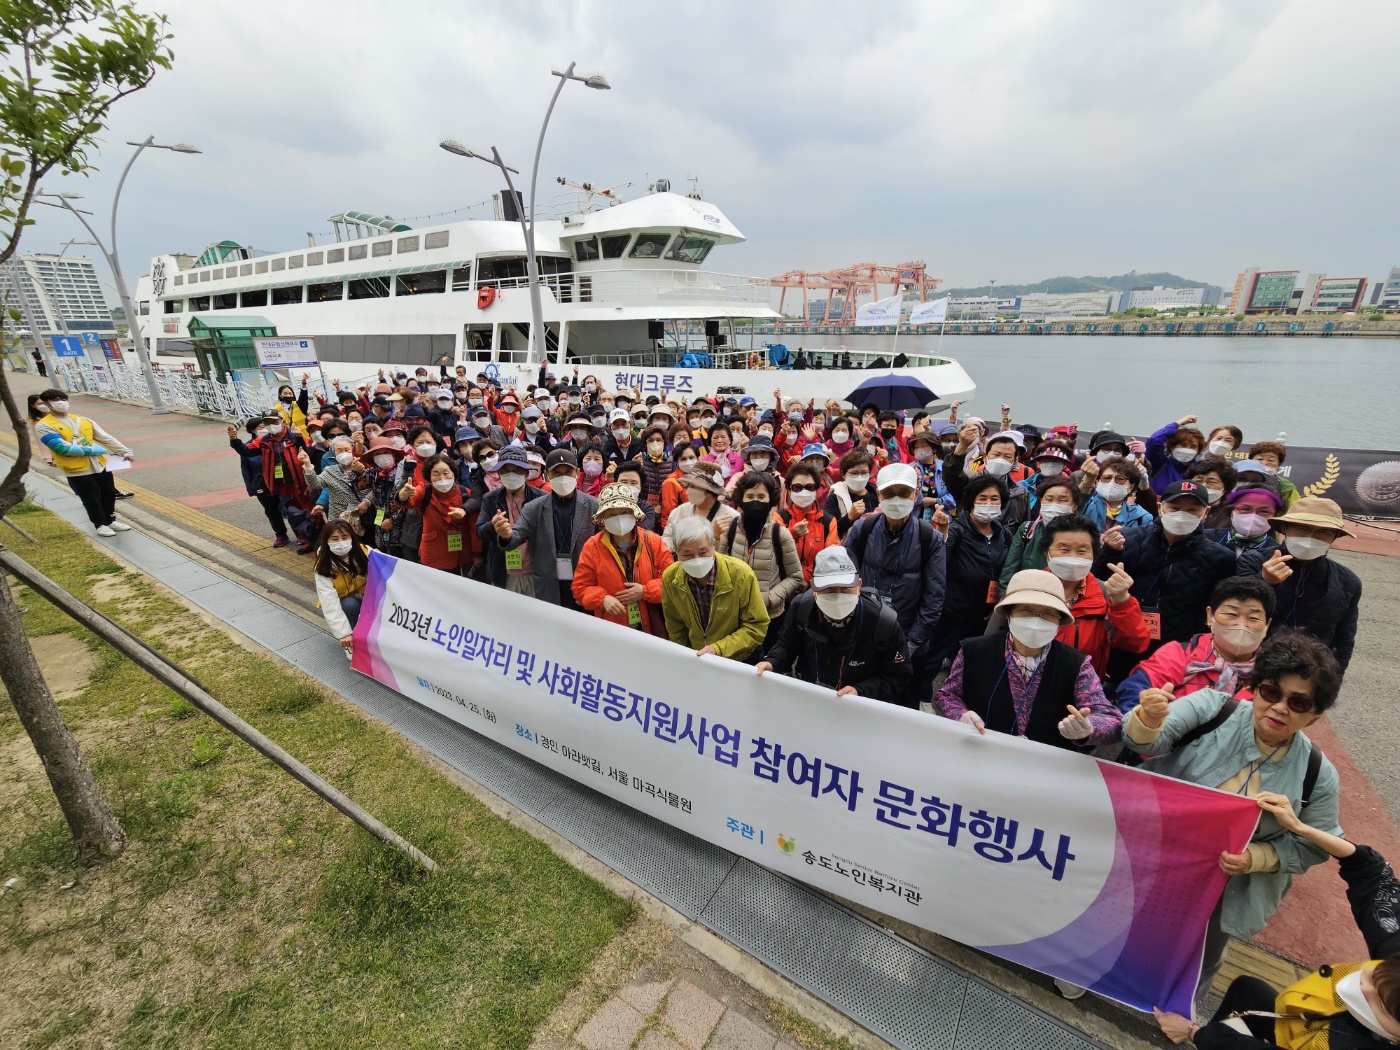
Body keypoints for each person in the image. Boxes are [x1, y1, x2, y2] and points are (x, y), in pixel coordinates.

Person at [1122, 630, 1342, 999]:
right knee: (1126, 917)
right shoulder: (1212, 707)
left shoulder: (1318, 773)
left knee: (1203, 951)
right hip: (1157, 850)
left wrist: (1257, 857)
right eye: (1271, 692)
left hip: (1228, 881)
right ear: (1255, 688)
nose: (1280, 708)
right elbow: (1144, 740)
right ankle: (1099, 975)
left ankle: (1179, 1005)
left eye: (1299, 703)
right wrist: (1147, 717)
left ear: (1315, 716)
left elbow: (1316, 844)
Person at [1153, 795, 1400, 1048]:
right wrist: (1299, 827)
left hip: (1314, 1040)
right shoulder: (1396, 962)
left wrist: (1194, 1031)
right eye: (1376, 972)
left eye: (1378, 1003)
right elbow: (1373, 873)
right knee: (1247, 991)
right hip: (1307, 1023)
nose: (1363, 982)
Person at [934, 569, 1122, 747]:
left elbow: (1111, 720)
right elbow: (948, 695)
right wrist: (961, 714)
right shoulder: (973, 650)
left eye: (1048, 613)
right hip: (980, 754)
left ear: (1059, 620)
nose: (1036, 620)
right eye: (1026, 611)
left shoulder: (1077, 665)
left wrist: (1088, 728)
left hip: (1045, 769)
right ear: (1009, 614)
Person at [986, 513, 1150, 680]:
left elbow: (1136, 644)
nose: (1073, 556)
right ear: (1046, 552)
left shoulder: (1105, 593)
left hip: (1084, 688)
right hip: (1023, 683)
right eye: (1064, 549)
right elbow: (992, 641)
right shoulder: (1024, 587)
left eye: (1082, 550)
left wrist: (1122, 602)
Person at [843, 463, 946, 706]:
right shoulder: (863, 528)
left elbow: (934, 598)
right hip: (865, 634)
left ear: (915, 494)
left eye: (903, 493)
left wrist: (909, 645)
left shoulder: (929, 538)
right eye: (889, 494)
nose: (896, 500)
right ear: (878, 495)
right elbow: (847, 577)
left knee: (902, 704)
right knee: (860, 699)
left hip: (909, 639)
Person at [756, 547, 913, 705]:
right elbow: (787, 644)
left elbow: (898, 676)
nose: (837, 596)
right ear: (814, 589)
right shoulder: (802, 608)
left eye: (845, 588)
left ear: (859, 586)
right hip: (811, 702)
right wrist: (772, 661)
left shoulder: (883, 623)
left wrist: (862, 691)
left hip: (858, 710)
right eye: (828, 589)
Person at [1095, 480, 1237, 653]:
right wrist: (1110, 552)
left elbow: (1219, 606)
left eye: (1192, 510)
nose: (1182, 515)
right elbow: (1098, 579)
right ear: (1160, 508)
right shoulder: (1129, 539)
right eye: (1175, 508)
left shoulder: (1220, 557)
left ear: (1205, 513)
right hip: (1127, 637)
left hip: (1180, 648)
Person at [1116, 575, 1275, 713]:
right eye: (1231, 614)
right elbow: (1132, 691)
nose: (1241, 625)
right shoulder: (1179, 653)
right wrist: (1147, 715)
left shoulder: (1273, 671)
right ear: (1210, 616)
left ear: (1267, 624)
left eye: (1253, 618)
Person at [1243, 496, 1362, 672]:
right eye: (1301, 528)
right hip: (1251, 664)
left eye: (1324, 532)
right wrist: (1265, 582)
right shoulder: (1253, 561)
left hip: (1309, 674)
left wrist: (1333, 680)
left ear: (1335, 536)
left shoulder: (1348, 582)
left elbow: (1344, 641)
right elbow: (1236, 607)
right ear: (1285, 528)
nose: (1310, 537)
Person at [491, 448, 598, 608]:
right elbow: (517, 535)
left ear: (577, 472)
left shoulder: (593, 505)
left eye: (567, 472)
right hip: (548, 585)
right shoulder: (534, 508)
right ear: (547, 475)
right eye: (557, 473)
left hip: (585, 583)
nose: (562, 478)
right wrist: (506, 535)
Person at [926, 474, 1011, 669]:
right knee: (934, 655)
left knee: (968, 659)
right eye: (983, 498)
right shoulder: (958, 529)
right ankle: (923, 695)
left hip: (985, 612)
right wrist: (943, 532)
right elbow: (940, 560)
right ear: (971, 501)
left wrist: (997, 604)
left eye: (994, 499)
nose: (988, 503)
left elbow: (1007, 570)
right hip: (953, 610)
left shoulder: (1003, 533)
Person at [715, 471, 806, 652]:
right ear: (741, 499)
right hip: (735, 612)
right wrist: (716, 537)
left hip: (769, 616)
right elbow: (717, 564)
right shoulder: (730, 529)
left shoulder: (780, 534)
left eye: (761, 496)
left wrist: (769, 599)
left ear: (770, 499)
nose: (755, 501)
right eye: (750, 496)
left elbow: (796, 576)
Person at [660, 515, 770, 660]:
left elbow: (756, 626)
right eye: (687, 554)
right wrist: (685, 658)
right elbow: (675, 627)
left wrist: (718, 649)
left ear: (713, 545)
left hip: (739, 658)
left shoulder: (741, 574)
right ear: (676, 551)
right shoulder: (670, 578)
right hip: (697, 658)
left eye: (703, 552)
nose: (697, 559)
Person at [573, 482, 674, 636]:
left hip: (650, 627)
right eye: (612, 514)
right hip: (611, 628)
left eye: (624, 512)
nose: (619, 518)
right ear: (603, 518)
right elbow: (580, 588)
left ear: (634, 513)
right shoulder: (592, 546)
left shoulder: (653, 542)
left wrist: (645, 591)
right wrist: (602, 599)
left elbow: (672, 581)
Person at [35, 388, 135, 537]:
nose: (60, 403)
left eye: (62, 399)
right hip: (77, 469)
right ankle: (100, 524)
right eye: (55, 400)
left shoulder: (82, 420)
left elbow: (104, 437)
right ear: (47, 404)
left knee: (108, 493)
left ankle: (111, 519)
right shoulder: (44, 425)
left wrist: (124, 451)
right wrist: (94, 450)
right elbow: (61, 448)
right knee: (91, 498)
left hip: (99, 465)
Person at [477, 446, 545, 593]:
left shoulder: (541, 498)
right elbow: (480, 532)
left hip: (534, 571)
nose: (511, 475)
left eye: (517, 470)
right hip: (504, 572)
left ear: (526, 474)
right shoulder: (490, 499)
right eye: (505, 471)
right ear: (499, 475)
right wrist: (493, 525)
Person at [997, 476, 1079, 590]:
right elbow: (1009, 569)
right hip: (1026, 593)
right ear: (1041, 501)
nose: (1054, 504)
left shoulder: (1081, 535)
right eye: (1049, 499)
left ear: (1074, 505)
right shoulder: (1027, 529)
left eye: (1062, 500)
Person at [944, 427, 1031, 527]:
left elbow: (1024, 528)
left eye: (1007, 456)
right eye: (996, 454)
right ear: (985, 456)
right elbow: (951, 473)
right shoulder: (968, 482)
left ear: (1014, 461)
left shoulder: (1020, 493)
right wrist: (962, 446)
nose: (1000, 460)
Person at [402, 453, 472, 574]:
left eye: (446, 473)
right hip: (433, 554)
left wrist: (477, 553)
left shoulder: (466, 493)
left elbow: (473, 525)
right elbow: (409, 502)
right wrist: (403, 494)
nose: (442, 478)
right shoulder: (424, 491)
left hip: (462, 552)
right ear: (429, 476)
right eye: (436, 474)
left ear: (453, 473)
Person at [227, 416, 291, 546]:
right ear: (252, 431)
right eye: (260, 428)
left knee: (291, 506)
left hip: (282, 481)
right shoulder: (248, 447)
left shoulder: (276, 441)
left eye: (265, 426)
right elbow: (246, 470)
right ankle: (280, 534)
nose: (265, 429)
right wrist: (252, 488)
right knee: (272, 510)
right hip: (262, 483)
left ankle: (301, 533)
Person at [777, 462, 840, 582]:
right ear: (789, 491)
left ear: (816, 490)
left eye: (809, 487)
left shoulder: (828, 521)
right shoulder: (780, 517)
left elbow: (830, 557)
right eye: (797, 487)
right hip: (783, 583)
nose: (803, 492)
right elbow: (774, 550)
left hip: (815, 585)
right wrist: (792, 534)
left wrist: (806, 577)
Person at [313, 520, 368, 654]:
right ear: (326, 541)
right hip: (344, 602)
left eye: (344, 538)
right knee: (349, 604)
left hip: (366, 596)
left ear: (351, 537)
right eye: (335, 539)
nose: (341, 543)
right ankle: (352, 640)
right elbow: (329, 602)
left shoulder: (364, 551)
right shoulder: (322, 567)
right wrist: (343, 633)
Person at [662, 461, 737, 550]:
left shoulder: (731, 517)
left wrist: (716, 538)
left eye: (694, 486)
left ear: (710, 490)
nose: (689, 490)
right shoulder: (680, 511)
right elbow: (668, 538)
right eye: (688, 485)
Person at [1206, 477, 1284, 561]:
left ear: (1274, 517)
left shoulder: (1278, 553)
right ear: (1231, 512)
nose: (1253, 516)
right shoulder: (1207, 539)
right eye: (1245, 509)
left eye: (1263, 511)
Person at [1079, 455, 1154, 533]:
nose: (1112, 482)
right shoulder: (1085, 505)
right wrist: (1089, 478)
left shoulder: (1141, 517)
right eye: (1107, 478)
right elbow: (1077, 502)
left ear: (1131, 487)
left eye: (1120, 479)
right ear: (1097, 483)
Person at [1146, 413, 1206, 494]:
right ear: (1172, 446)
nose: (1187, 449)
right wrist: (1178, 423)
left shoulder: (1200, 471)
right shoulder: (1159, 463)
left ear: (1198, 450)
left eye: (1193, 446)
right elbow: (1154, 441)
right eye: (1183, 445)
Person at [824, 450, 878, 539]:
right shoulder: (836, 495)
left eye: (864, 473)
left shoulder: (876, 493)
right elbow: (828, 531)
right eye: (854, 473)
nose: (859, 478)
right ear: (843, 474)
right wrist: (849, 517)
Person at [1248, 439, 1299, 507]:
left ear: (1279, 464)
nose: (1264, 463)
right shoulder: (1237, 478)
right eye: (1260, 459)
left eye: (1271, 460)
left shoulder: (1286, 487)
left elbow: (1295, 509)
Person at [659, 440, 698, 529]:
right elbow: (668, 516)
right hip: (682, 531)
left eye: (691, 457)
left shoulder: (702, 478)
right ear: (677, 461)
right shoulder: (671, 483)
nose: (688, 462)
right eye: (683, 459)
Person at [612, 461, 659, 533]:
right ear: (615, 484)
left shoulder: (647, 508)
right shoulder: (608, 506)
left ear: (640, 486)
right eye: (623, 482)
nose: (628, 486)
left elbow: (644, 531)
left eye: (633, 483)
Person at [26, 393, 53, 465]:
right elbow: (40, 440)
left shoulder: (53, 412)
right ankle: (49, 457)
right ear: (33, 405)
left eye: (44, 403)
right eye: (40, 404)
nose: (43, 405)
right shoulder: (35, 420)